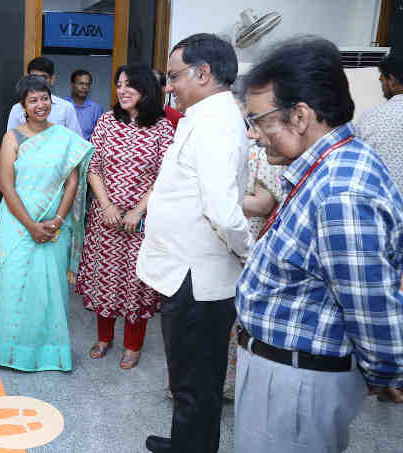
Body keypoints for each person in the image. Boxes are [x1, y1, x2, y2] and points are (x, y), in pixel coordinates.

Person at [236, 37, 403, 453]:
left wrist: (383, 374)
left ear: (300, 116)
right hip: (288, 374)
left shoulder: (342, 192)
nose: (255, 135)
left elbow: (371, 308)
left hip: (298, 385)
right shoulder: (325, 168)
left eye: (260, 121)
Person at [136, 33, 252, 453]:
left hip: (199, 279)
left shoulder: (218, 124)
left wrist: (248, 252)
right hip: (185, 271)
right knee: (187, 376)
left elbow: (223, 211)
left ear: (203, 74)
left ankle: (194, 447)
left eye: (174, 76)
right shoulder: (204, 116)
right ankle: (187, 441)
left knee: (196, 380)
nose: (168, 86)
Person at [0, 75, 94, 372]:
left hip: (54, 225)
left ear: (52, 100)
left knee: (52, 289)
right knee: (16, 285)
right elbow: (6, 187)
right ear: (23, 105)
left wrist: (58, 220)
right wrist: (31, 225)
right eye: (33, 100)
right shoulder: (13, 138)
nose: (40, 105)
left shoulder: (63, 137)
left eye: (45, 98)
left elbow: (72, 182)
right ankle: (13, 353)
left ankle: (53, 354)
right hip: (17, 222)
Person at [75, 63, 173, 370]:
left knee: (136, 282)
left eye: (130, 85)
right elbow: (92, 167)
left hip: (141, 222)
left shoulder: (162, 128)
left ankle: (133, 345)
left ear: (146, 89)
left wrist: (138, 210)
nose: (122, 90)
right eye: (119, 84)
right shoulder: (107, 121)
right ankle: (104, 338)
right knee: (104, 278)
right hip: (105, 218)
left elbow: (166, 176)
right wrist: (106, 206)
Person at [223, 77, 286, 400]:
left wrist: (219, 198)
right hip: (228, 241)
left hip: (249, 244)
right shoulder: (230, 146)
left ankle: (231, 386)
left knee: (237, 320)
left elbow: (262, 203)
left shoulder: (264, 152)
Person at [355, 52, 403, 189]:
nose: (382, 87)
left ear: (392, 81)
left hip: (384, 203)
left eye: (382, 80)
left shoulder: (370, 118)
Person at [6, 57, 83, 137]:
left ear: (52, 79)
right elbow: (11, 139)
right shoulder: (17, 108)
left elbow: (77, 142)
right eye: (34, 77)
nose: (38, 82)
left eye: (43, 78)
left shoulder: (65, 108)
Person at [65, 69, 103, 141]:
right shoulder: (63, 105)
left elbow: (99, 136)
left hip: (88, 150)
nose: (84, 87)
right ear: (72, 85)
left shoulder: (96, 109)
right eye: (81, 84)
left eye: (87, 84)